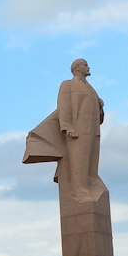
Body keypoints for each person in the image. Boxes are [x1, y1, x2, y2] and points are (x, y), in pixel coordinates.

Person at [23, 58, 104, 200]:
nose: (88, 67)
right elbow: (63, 107)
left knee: (92, 160)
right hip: (77, 130)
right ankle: (79, 190)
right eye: (85, 65)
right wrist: (67, 127)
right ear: (77, 68)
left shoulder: (91, 88)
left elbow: (96, 112)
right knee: (80, 160)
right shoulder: (68, 85)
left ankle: (91, 183)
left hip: (93, 130)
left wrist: (100, 106)